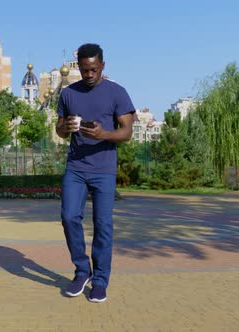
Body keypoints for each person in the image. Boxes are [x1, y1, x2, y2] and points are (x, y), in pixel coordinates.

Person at [55, 43, 135, 303]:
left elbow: (127, 132)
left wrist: (104, 134)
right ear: (78, 67)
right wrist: (65, 127)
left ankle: (100, 280)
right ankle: (81, 272)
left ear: (103, 66)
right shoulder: (68, 94)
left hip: (104, 169)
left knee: (103, 225)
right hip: (76, 167)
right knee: (68, 217)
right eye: (85, 70)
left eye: (95, 70)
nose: (90, 75)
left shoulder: (117, 92)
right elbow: (59, 129)